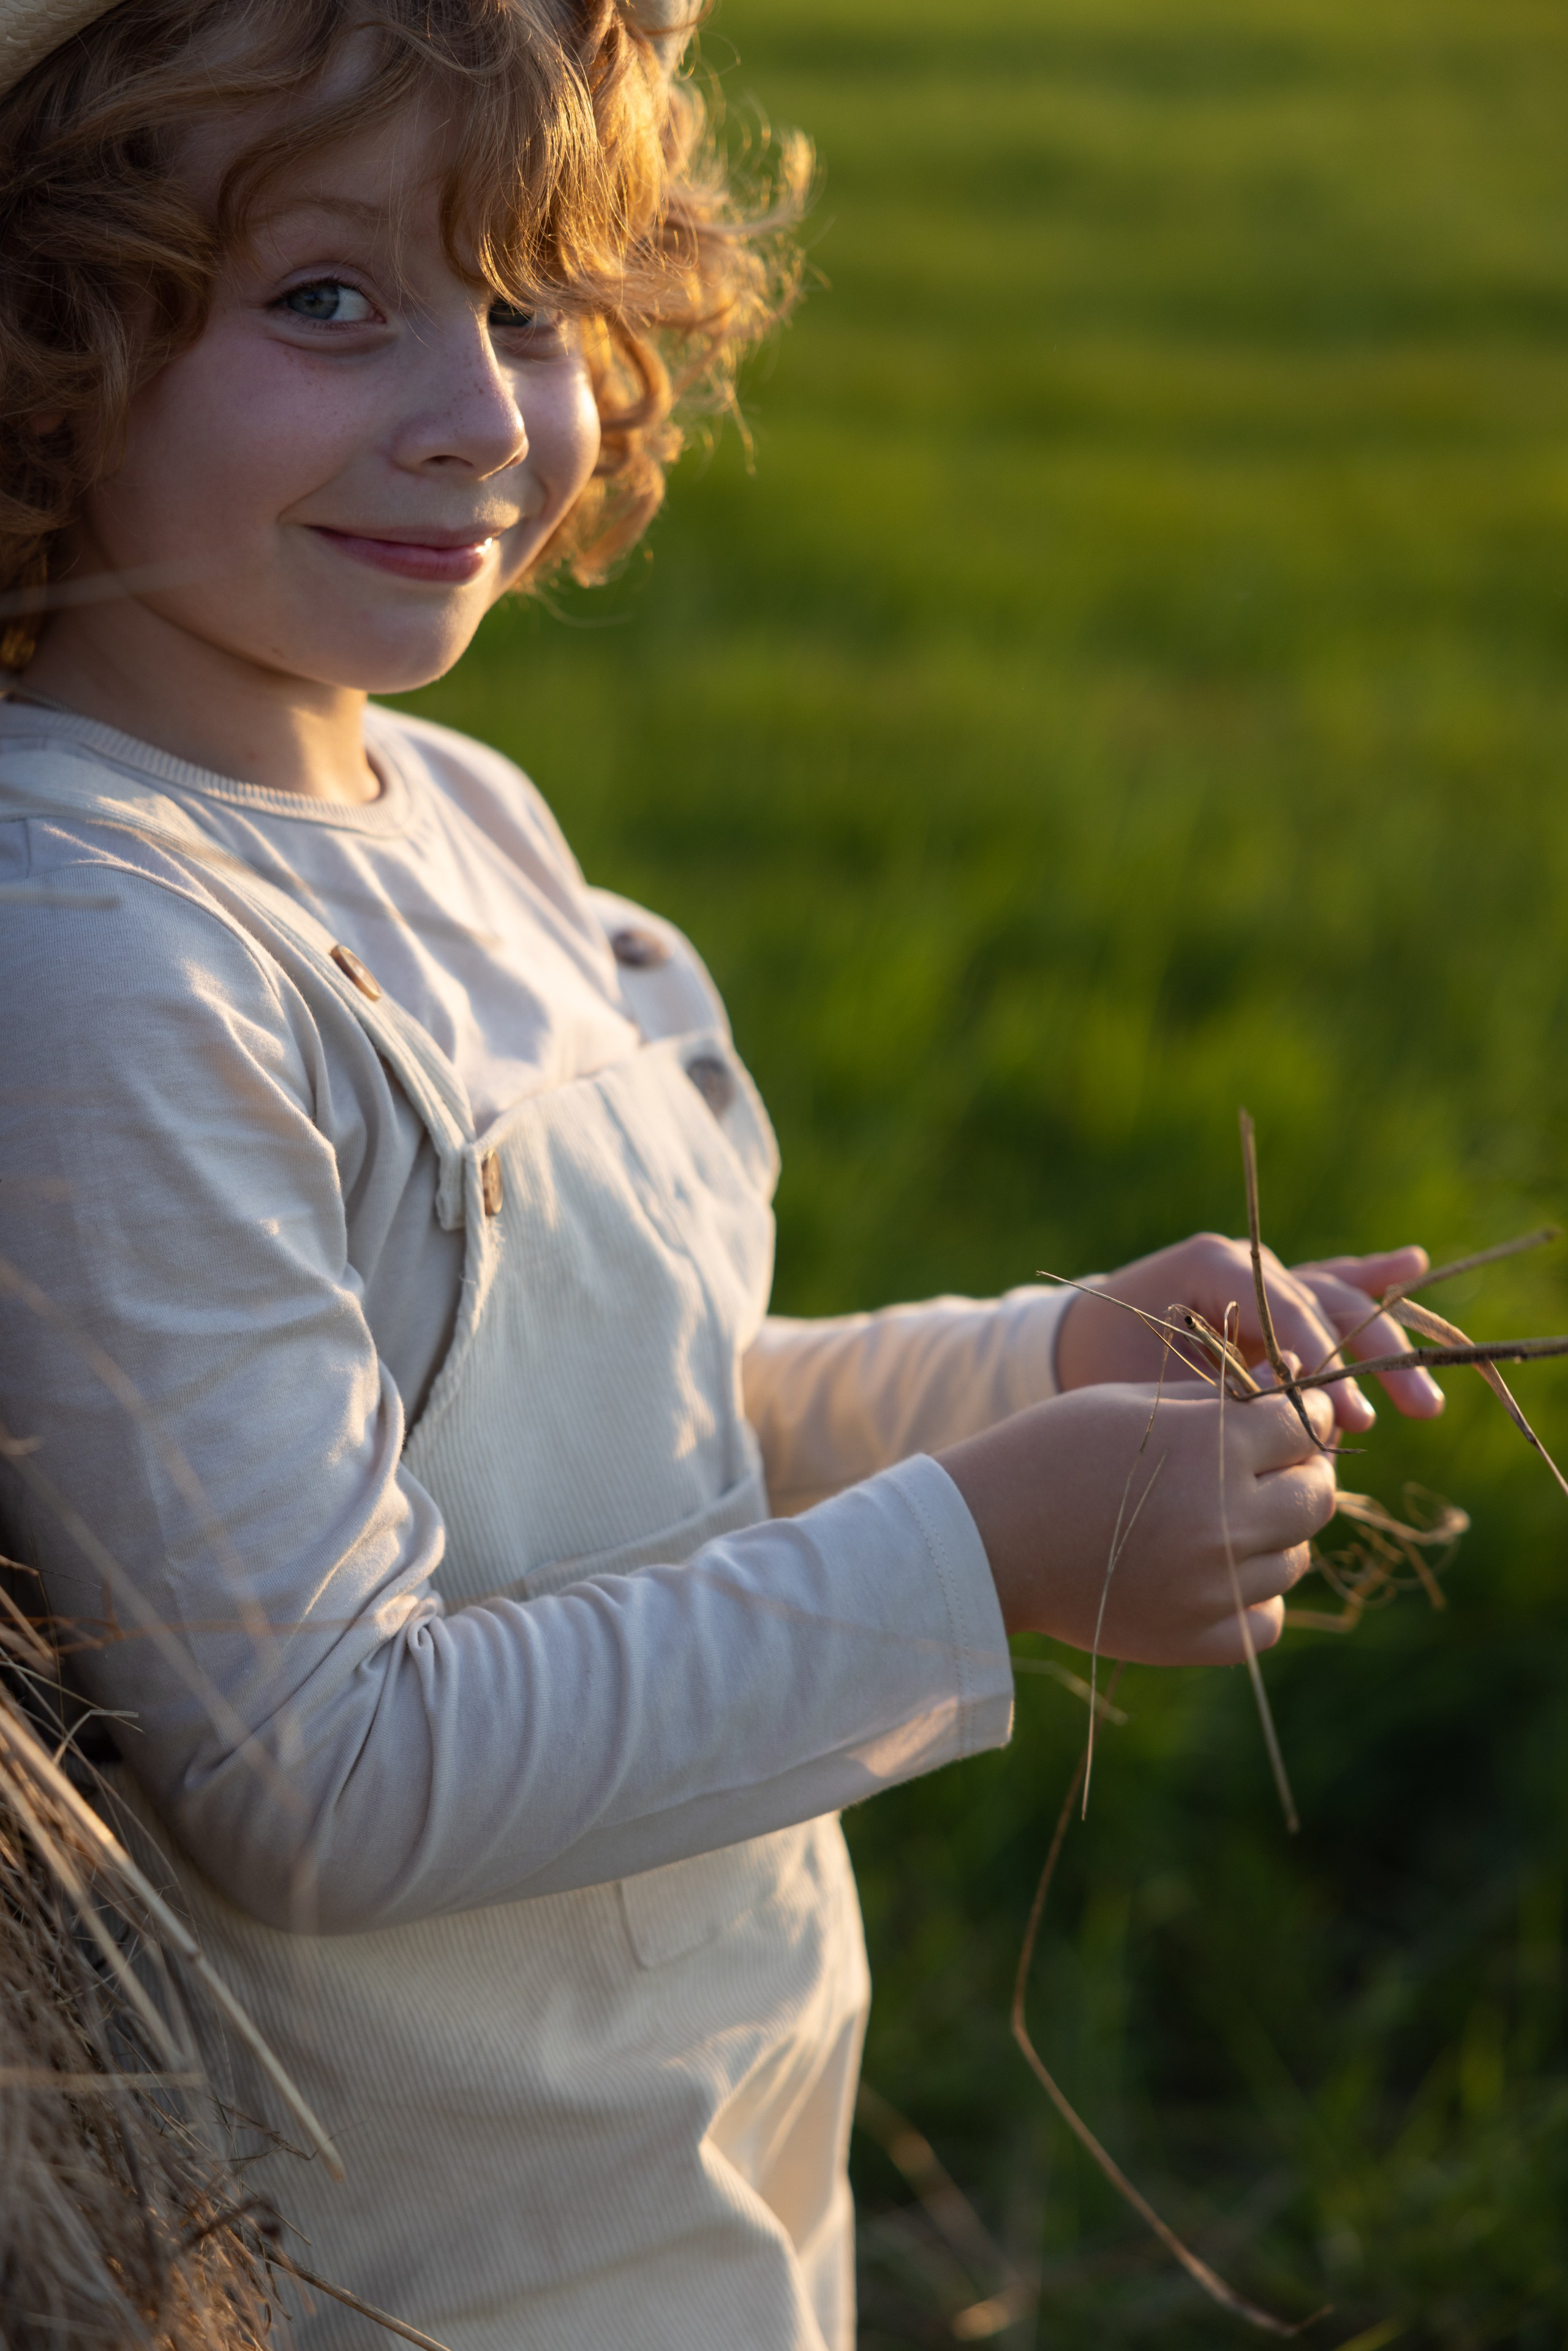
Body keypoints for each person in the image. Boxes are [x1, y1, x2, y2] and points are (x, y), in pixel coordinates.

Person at [0, 2, 1445, 2344]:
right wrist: (977, 1552)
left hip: (686, 2136)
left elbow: (620, 1432)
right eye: (328, 299)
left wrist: (1032, 1374)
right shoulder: (98, 955)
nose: (483, 415)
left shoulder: (455, 817)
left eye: (530, 301)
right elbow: (317, 1769)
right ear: (43, 333)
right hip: (407, 2256)